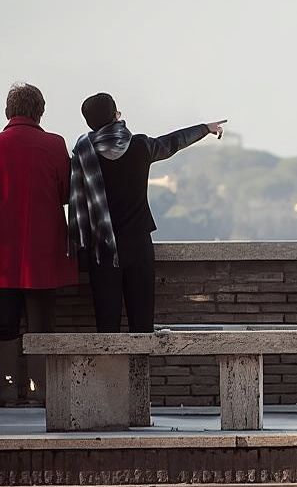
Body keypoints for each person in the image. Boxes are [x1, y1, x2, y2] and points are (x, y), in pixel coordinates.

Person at [69, 93, 225, 333]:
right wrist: (205, 128)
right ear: (116, 116)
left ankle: (109, 372)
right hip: (138, 244)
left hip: (102, 250)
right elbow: (173, 142)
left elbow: (75, 199)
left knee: (106, 329)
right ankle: (139, 371)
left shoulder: (83, 152)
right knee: (142, 327)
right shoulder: (140, 146)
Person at [0, 83, 79, 405]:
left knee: (4, 326)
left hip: (2, 254)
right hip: (43, 251)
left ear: (9, 111)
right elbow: (66, 193)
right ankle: (40, 392)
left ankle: (5, 391)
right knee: (41, 326)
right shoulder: (54, 144)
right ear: (40, 111)